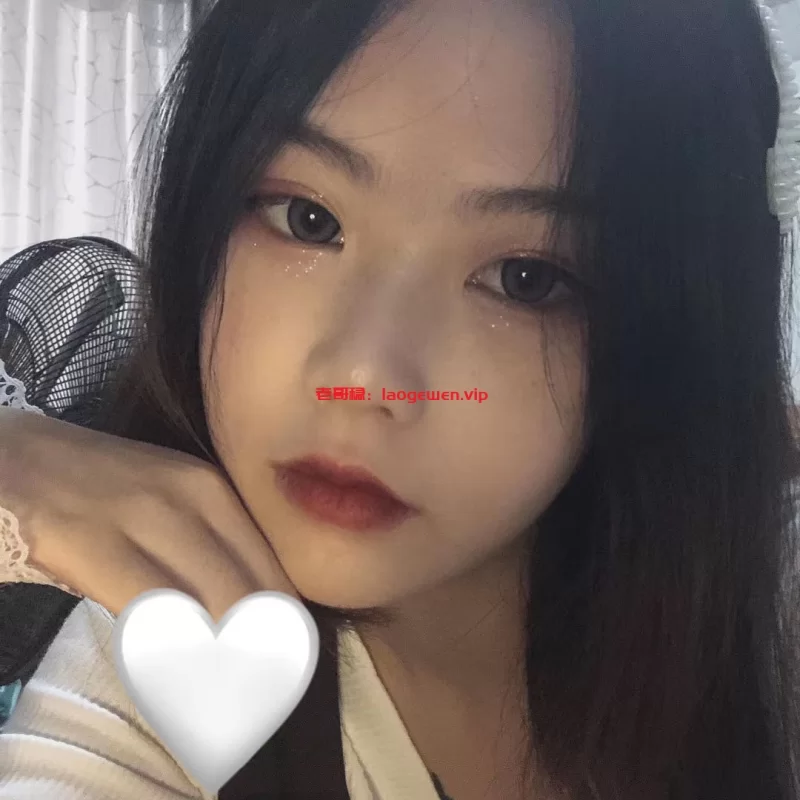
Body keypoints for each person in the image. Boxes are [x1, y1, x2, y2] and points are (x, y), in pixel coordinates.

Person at [1, 0, 799, 797]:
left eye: (525, 279)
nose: (364, 379)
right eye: (308, 220)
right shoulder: (162, 660)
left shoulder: (766, 624)